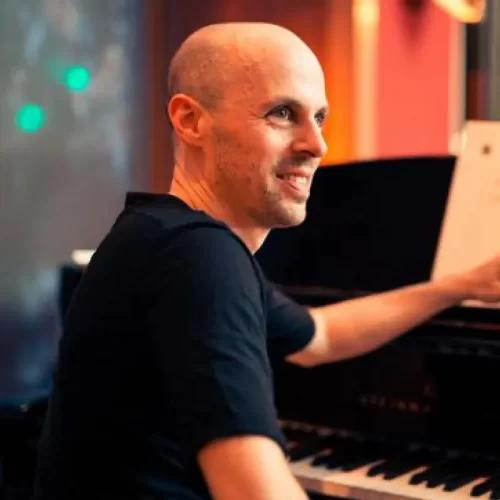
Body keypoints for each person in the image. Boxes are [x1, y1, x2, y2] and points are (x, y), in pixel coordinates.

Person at [33, 22, 500, 500]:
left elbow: (321, 336)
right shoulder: (198, 257)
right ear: (190, 121)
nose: (317, 145)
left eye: (319, 118)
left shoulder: (163, 237)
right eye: (282, 113)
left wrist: (459, 286)